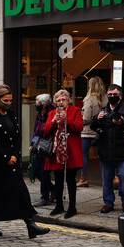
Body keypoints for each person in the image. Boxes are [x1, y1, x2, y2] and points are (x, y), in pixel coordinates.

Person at [0, 85, 49, 239]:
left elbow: (17, 137)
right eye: (5, 100)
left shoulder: (11, 115)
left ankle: (31, 224)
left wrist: (15, 155)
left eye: (10, 100)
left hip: (12, 162)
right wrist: (5, 157)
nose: (8, 103)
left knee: (21, 192)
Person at [93, 84, 124, 213]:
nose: (112, 97)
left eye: (114, 94)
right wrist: (97, 119)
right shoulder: (103, 110)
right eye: (110, 94)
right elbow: (93, 126)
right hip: (106, 151)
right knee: (107, 179)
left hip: (123, 151)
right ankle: (108, 202)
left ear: (120, 95)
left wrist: (122, 122)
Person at [44, 87, 84, 218]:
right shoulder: (52, 113)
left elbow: (79, 128)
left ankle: (72, 206)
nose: (61, 102)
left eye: (64, 99)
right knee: (58, 179)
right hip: (57, 151)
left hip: (70, 150)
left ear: (69, 100)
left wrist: (68, 119)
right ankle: (59, 205)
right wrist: (53, 122)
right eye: (58, 100)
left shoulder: (75, 110)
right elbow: (46, 131)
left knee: (70, 179)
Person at [79, 75, 105, 188]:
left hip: (87, 131)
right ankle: (106, 178)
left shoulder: (89, 99)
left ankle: (83, 178)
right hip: (100, 131)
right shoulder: (105, 99)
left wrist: (80, 118)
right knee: (102, 156)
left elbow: (86, 118)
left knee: (84, 155)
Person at [30, 93, 54, 207]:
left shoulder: (51, 113)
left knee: (44, 172)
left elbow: (46, 130)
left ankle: (45, 197)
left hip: (48, 145)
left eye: (37, 102)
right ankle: (53, 190)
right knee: (37, 171)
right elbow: (36, 129)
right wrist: (33, 144)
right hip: (39, 144)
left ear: (44, 104)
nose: (36, 104)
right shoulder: (40, 113)